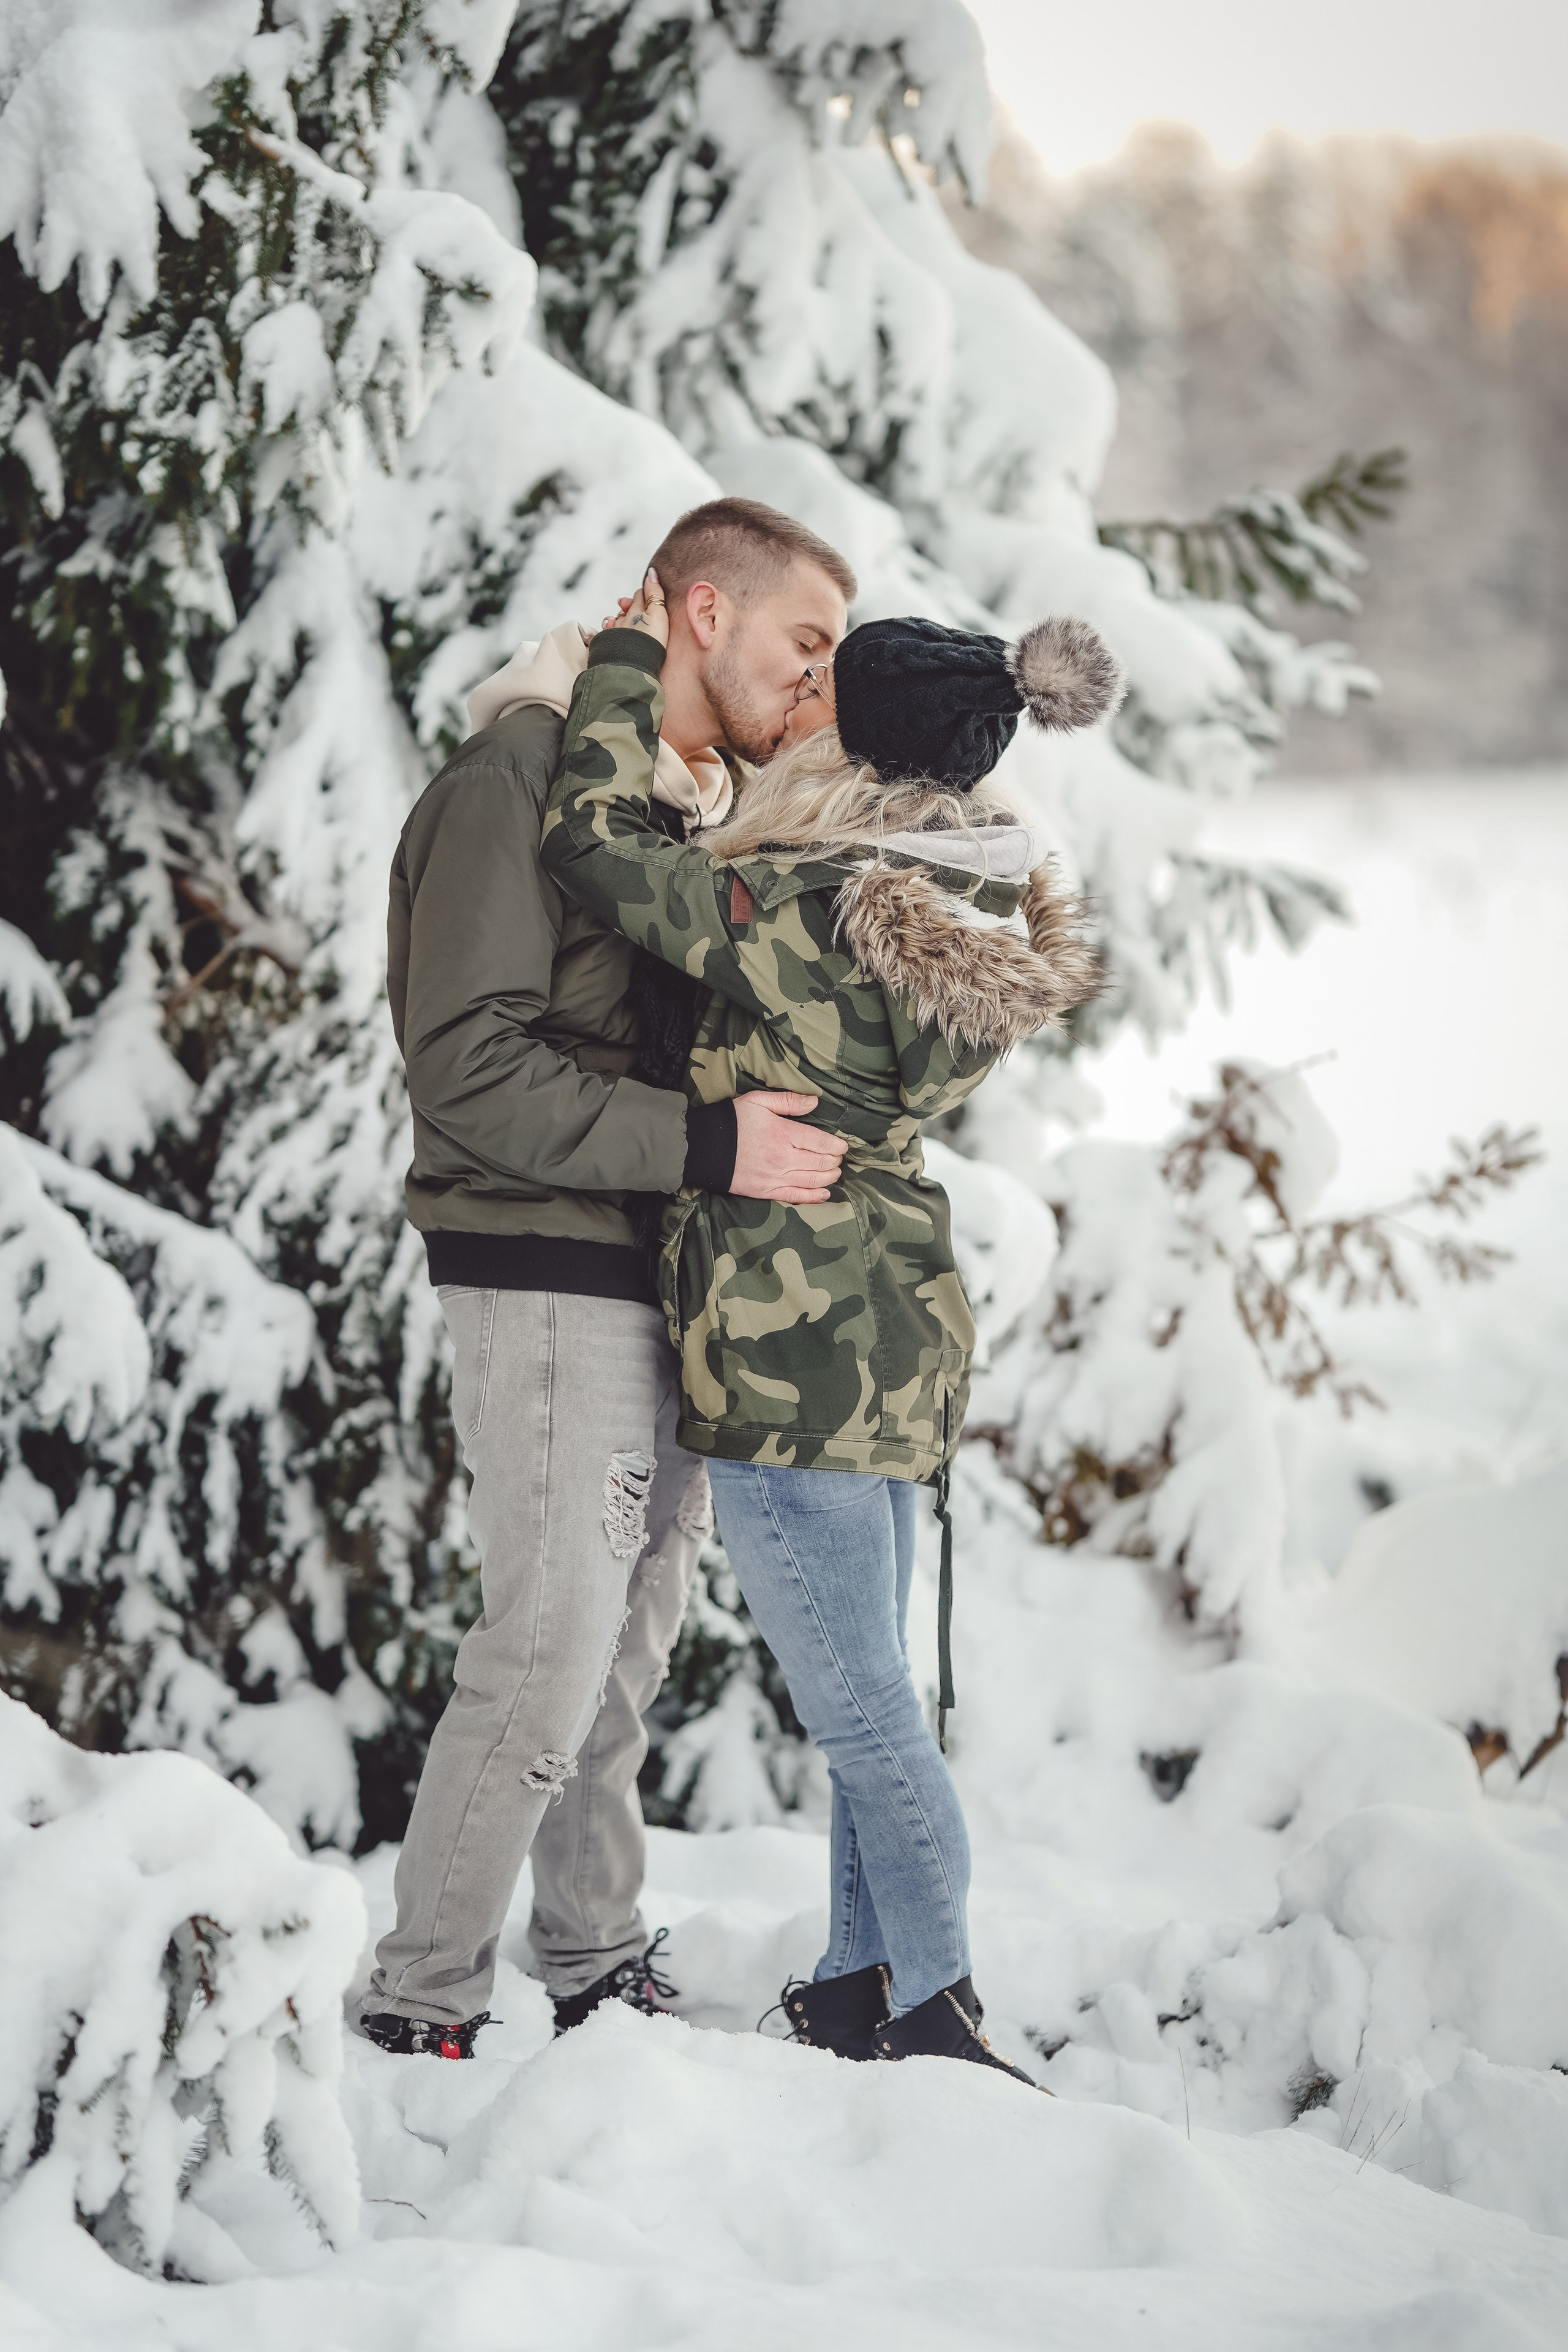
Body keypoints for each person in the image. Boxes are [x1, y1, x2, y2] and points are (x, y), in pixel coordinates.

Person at [540, 568, 1120, 2081]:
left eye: (816, 693)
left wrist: (620, 659)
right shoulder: (961, 910)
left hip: (786, 1342)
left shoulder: (795, 906)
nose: (790, 705)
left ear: (851, 744)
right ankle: (862, 1987)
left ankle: (935, 2002)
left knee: (861, 1712)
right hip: (891, 1325)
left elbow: (592, 848)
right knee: (877, 1688)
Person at [360, 500, 859, 2058]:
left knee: (625, 1650)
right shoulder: (515, 779)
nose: (815, 684)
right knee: (550, 1640)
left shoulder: (674, 808)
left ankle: (589, 1955)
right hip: (540, 1260)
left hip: (655, 1269)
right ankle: (419, 1998)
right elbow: (465, 1070)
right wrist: (708, 1147)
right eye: (805, 644)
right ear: (699, 613)